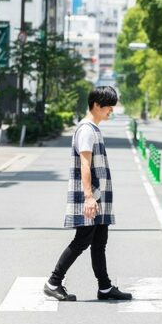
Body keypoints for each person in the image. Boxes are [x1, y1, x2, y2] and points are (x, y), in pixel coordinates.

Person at [44, 86, 132, 301]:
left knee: (100, 242)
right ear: (96, 105)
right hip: (91, 196)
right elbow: (85, 164)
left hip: (99, 196)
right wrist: (89, 197)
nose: (111, 111)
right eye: (109, 107)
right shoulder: (86, 130)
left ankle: (105, 287)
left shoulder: (93, 129)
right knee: (82, 240)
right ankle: (53, 282)